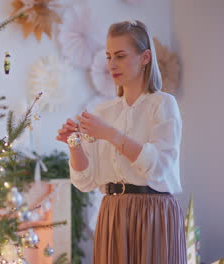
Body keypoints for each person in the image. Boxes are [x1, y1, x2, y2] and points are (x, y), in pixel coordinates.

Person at [56, 20, 187, 264]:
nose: (112, 65)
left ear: (145, 57)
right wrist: (74, 144)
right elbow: (87, 180)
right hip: (112, 214)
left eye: (120, 56)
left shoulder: (163, 104)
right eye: (108, 57)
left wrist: (112, 135)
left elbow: (158, 167)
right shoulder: (103, 112)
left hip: (153, 214)